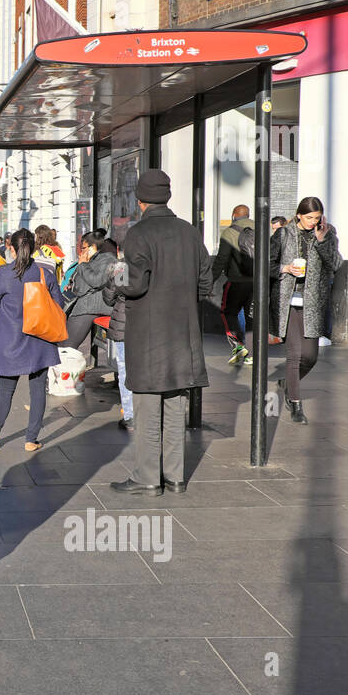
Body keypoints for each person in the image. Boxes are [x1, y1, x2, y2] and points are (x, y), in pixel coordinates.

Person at [106, 170, 211, 496]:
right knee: (175, 406)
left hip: (149, 336)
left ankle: (148, 478)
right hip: (183, 335)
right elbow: (205, 282)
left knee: (148, 408)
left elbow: (134, 283)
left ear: (140, 201)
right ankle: (175, 476)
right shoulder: (190, 233)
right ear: (167, 196)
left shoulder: (139, 234)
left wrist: (116, 272)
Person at [0, 228, 63, 451]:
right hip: (40, 338)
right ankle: (31, 439)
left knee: (5, 390)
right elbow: (58, 304)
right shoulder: (43, 273)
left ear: (11, 248)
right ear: (33, 248)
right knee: (38, 388)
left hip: (11, 339)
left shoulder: (3, 274)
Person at [272, 196, 342, 425]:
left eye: (317, 217)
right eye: (309, 217)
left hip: (312, 302)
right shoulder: (283, 234)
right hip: (288, 301)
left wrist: (322, 241)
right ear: (299, 215)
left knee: (310, 357)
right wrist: (285, 268)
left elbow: (336, 264)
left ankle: (287, 383)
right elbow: (266, 264)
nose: (313, 222)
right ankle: (296, 405)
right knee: (294, 356)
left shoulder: (326, 234)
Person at [61, 231, 118, 362]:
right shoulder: (95, 259)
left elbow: (95, 281)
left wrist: (82, 265)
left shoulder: (108, 260)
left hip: (91, 306)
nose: (81, 251)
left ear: (93, 247)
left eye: (84, 248)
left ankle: (67, 377)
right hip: (87, 303)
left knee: (67, 346)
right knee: (63, 344)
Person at [214, 204, 256, 366]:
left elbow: (221, 260)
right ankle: (251, 355)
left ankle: (237, 346)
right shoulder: (261, 230)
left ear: (233, 215)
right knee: (251, 317)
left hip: (236, 282)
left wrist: (209, 281)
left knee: (227, 312)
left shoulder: (229, 232)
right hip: (257, 283)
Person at [100, 238, 133, 431]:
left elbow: (109, 296)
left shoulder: (122, 268)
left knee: (124, 369)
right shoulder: (153, 264)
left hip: (124, 321)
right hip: (148, 323)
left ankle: (130, 415)